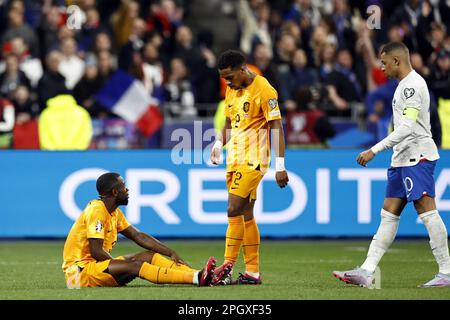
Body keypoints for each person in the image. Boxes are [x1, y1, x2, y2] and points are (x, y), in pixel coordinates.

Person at [333, 42, 450, 288]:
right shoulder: (402, 86)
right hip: (401, 158)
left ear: (397, 61)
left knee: (427, 212)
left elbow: (407, 129)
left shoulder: (412, 87)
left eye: (384, 63)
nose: (381, 68)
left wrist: (373, 150)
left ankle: (446, 272)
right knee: (388, 214)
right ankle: (366, 271)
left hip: (417, 156)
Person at [210, 50, 289, 285]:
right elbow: (228, 122)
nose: (228, 82)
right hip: (234, 157)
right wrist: (217, 144)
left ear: (243, 69)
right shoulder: (231, 90)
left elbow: (276, 126)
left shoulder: (264, 89)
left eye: (230, 77)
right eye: (224, 79)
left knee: (232, 209)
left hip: (254, 159)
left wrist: (280, 165)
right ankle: (253, 272)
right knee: (246, 214)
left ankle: (226, 269)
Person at [62, 172, 218, 288]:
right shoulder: (97, 211)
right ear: (115, 192)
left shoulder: (114, 212)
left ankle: (203, 274)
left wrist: (170, 252)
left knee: (148, 256)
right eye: (124, 187)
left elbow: (138, 236)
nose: (127, 190)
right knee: (135, 265)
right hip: (78, 274)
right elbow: (96, 251)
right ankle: (196, 277)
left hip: (94, 268)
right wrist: (122, 266)